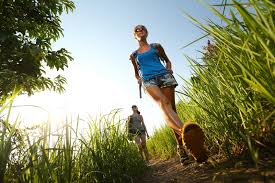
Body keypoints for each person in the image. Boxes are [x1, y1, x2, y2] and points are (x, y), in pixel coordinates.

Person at [129, 25, 189, 164]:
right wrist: (140, 80)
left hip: (164, 76)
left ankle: (181, 147)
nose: (139, 30)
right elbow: (136, 74)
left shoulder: (156, 46)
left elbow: (167, 60)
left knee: (171, 110)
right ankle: (186, 132)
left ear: (146, 32)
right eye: (136, 30)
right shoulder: (134, 55)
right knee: (163, 103)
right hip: (149, 81)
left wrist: (169, 69)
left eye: (142, 28)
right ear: (134, 36)